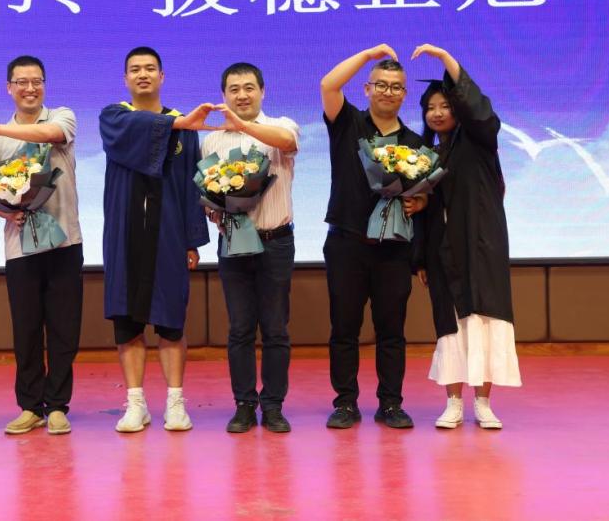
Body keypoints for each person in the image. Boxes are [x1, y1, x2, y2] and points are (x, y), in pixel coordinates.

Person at [0, 55, 84, 436]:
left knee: (64, 328)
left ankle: (58, 406)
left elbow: (50, 136)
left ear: (44, 85)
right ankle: (30, 406)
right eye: (21, 82)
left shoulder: (62, 117)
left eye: (37, 81)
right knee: (26, 330)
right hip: (20, 248)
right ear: (9, 87)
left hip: (65, 241)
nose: (30, 88)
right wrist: (9, 212)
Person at [100, 46, 211, 433]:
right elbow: (134, 131)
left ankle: (175, 403)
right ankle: (135, 404)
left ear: (162, 76)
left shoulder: (185, 126)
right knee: (127, 322)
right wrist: (177, 125)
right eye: (135, 69)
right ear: (125, 78)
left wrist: (192, 240)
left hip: (169, 232)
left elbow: (192, 185)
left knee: (171, 320)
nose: (142, 74)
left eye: (150, 68)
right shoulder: (113, 117)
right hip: (125, 232)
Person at [412, 43, 521, 429]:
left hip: (482, 246)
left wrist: (446, 60)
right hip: (443, 251)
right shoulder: (424, 156)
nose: (437, 113)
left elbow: (481, 112)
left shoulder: (479, 141)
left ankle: (484, 403)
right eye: (430, 108)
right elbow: (422, 212)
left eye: (445, 105)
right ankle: (454, 403)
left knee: (486, 322)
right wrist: (420, 258)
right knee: (450, 326)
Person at [320, 44, 427, 430]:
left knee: (392, 331)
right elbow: (328, 85)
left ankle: (391, 404)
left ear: (404, 94)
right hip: (346, 243)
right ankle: (345, 403)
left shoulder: (415, 144)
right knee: (344, 328)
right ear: (366, 89)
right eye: (380, 84)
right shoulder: (348, 122)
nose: (387, 92)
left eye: (395, 87)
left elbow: (423, 194)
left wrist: (421, 201)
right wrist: (367, 55)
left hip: (393, 249)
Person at [201, 62, 299, 433]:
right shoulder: (212, 141)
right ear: (224, 95)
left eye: (248, 88)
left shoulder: (281, 125)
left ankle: (273, 405)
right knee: (240, 328)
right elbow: (207, 189)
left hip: (276, 241)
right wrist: (213, 208)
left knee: (275, 328)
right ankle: (244, 404)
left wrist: (243, 126)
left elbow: (287, 143)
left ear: (262, 91)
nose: (241, 95)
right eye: (234, 89)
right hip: (233, 241)